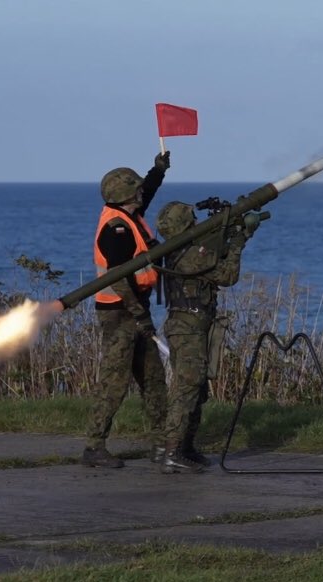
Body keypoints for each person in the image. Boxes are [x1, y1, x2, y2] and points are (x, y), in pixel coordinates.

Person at [82, 150, 171, 469]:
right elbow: (120, 280)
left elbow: (147, 192)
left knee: (153, 378)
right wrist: (140, 315)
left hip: (135, 309)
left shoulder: (129, 214)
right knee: (114, 381)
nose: (140, 193)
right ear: (123, 195)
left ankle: (162, 443)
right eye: (135, 189)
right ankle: (94, 446)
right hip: (120, 313)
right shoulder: (115, 228)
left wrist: (158, 170)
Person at [155, 200, 258, 473]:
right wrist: (238, 242)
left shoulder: (183, 250)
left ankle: (186, 447)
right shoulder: (187, 255)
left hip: (194, 324)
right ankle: (172, 451)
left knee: (198, 389)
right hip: (187, 327)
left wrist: (231, 235)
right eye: (193, 220)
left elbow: (212, 257)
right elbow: (227, 275)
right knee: (186, 388)